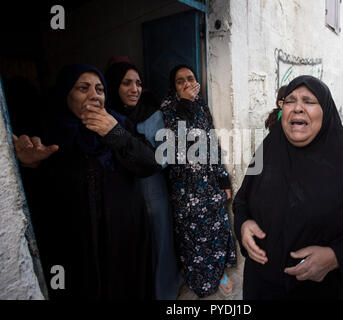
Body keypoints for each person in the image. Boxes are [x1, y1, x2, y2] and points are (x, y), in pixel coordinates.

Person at [233, 75, 343, 300]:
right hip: (260, 287)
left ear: (325, 111)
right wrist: (243, 224)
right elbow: (242, 201)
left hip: (318, 293)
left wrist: (335, 256)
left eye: (309, 101)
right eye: (290, 100)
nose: (298, 108)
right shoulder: (268, 149)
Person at [14, 63, 161, 299]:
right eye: (83, 88)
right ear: (66, 95)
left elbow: (150, 164)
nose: (94, 95)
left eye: (100, 90)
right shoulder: (48, 132)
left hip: (123, 237)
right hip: (75, 244)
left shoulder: (120, 124)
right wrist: (27, 163)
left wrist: (116, 134)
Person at [104, 61, 183, 300]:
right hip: (120, 193)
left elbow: (166, 154)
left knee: (159, 243)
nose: (134, 89)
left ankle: (163, 292)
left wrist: (141, 154)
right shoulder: (106, 117)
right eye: (126, 83)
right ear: (112, 87)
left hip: (151, 190)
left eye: (138, 83)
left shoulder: (153, 114)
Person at [160, 64, 237, 298]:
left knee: (217, 231)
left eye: (190, 79)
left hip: (208, 183)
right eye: (179, 81)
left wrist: (223, 179)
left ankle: (220, 272)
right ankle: (199, 278)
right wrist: (184, 105)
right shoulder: (167, 110)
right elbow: (174, 148)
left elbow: (212, 144)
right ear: (173, 87)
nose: (186, 84)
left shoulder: (202, 108)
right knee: (192, 239)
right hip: (184, 187)